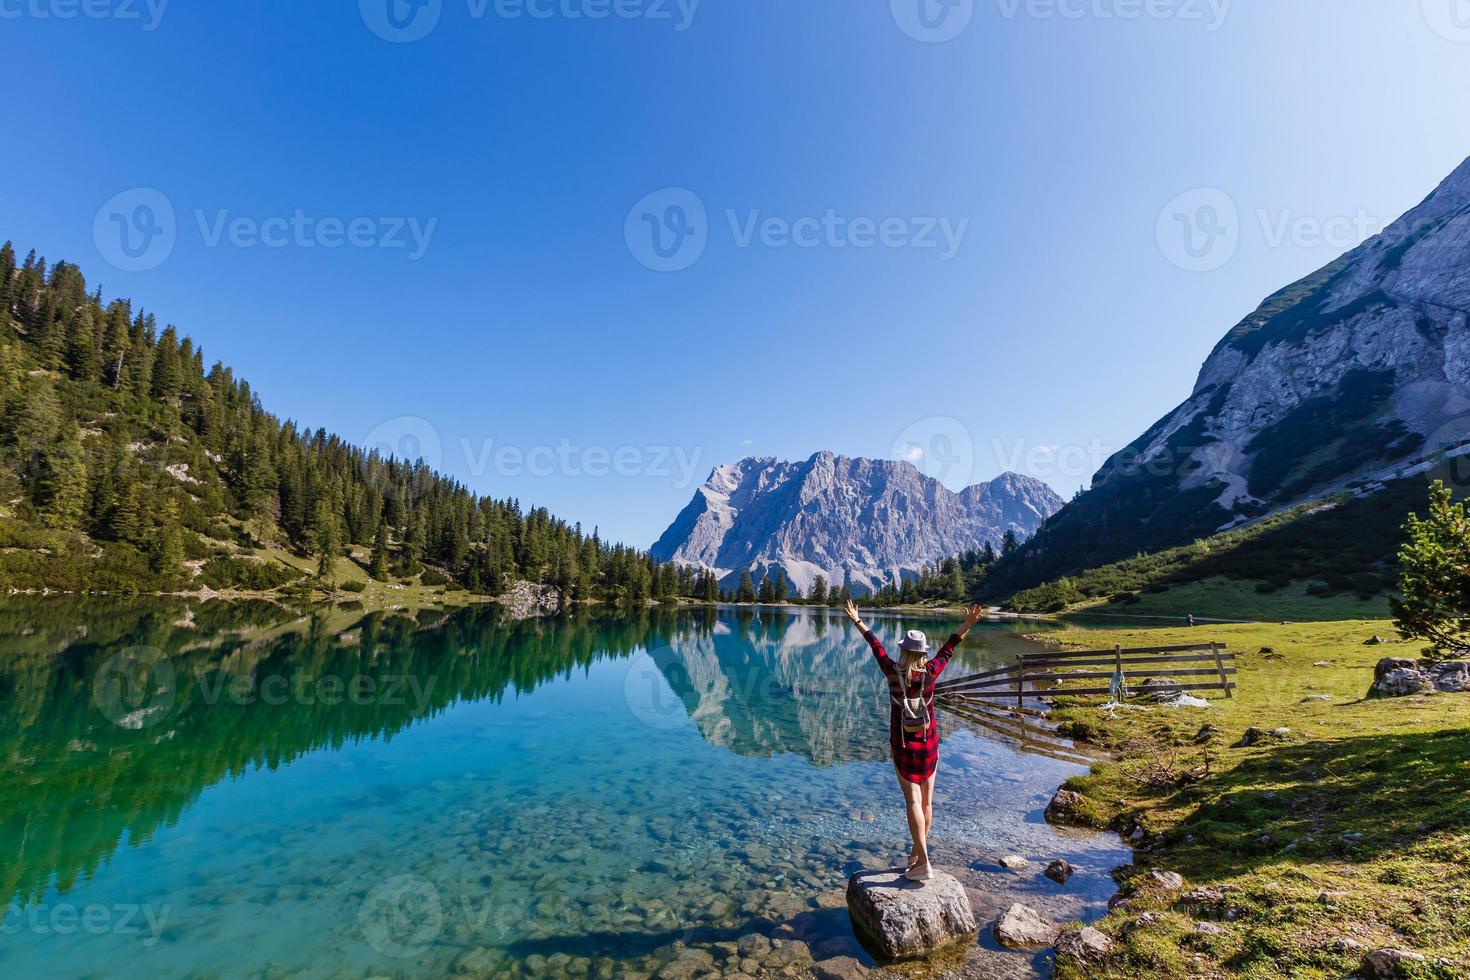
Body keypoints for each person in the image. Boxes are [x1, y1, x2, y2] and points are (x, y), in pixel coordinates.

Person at [844, 598, 986, 882]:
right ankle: (915, 855)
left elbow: (876, 646)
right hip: (929, 744)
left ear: (904, 650)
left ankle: (924, 861)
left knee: (912, 803)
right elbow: (950, 646)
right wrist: (968, 624)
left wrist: (857, 621)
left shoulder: (891, 671)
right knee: (927, 804)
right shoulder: (931, 672)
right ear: (922, 653)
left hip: (903, 745)